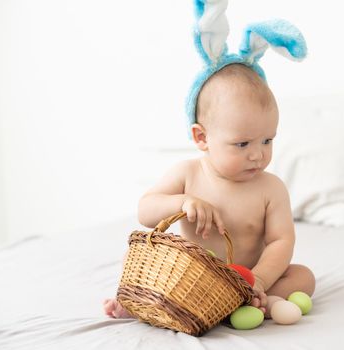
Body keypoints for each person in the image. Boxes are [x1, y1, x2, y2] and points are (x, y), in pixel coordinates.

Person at [103, 63, 315, 318]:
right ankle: (140, 301)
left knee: (303, 277)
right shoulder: (188, 174)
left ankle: (248, 301)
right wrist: (182, 202)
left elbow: (281, 241)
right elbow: (145, 212)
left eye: (267, 140)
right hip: (193, 278)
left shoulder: (271, 188)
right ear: (201, 137)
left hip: (247, 279)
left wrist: (259, 279)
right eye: (242, 143)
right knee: (134, 256)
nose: (258, 154)